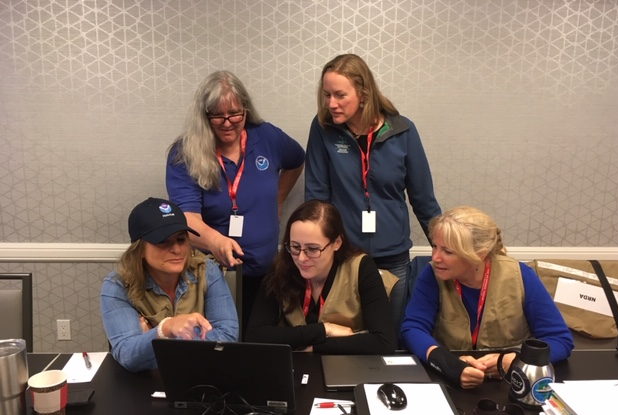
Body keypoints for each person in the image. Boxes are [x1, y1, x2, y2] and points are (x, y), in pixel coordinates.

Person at [304, 53, 441, 340]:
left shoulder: (402, 130)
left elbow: (423, 199)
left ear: (363, 94)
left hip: (393, 256)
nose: (331, 103)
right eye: (327, 94)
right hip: (344, 257)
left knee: (387, 337)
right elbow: (317, 197)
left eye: (340, 95)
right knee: (347, 338)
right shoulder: (323, 130)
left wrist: (444, 249)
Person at [166, 71, 305, 335]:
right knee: (220, 346)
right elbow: (187, 218)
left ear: (246, 109)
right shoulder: (185, 153)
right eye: (218, 115)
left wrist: (278, 199)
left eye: (235, 113)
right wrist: (215, 241)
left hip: (267, 274)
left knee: (259, 345)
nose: (228, 122)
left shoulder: (267, 137)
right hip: (215, 279)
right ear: (204, 115)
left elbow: (297, 160)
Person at [401, 206, 574, 388]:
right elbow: (412, 328)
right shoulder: (432, 274)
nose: (435, 257)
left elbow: (559, 339)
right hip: (452, 380)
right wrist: (446, 362)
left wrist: (516, 360)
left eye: (448, 251)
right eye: (435, 246)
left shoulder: (520, 276)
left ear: (479, 254)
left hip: (511, 384)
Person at [101, 198, 239, 372]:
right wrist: (167, 328)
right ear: (139, 249)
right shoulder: (117, 286)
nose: (176, 249)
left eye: (181, 239)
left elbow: (227, 338)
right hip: (145, 384)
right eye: (163, 241)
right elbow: (128, 355)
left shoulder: (207, 270)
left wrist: (155, 340)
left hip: (201, 376)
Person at [245, 200, 397, 354]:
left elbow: (384, 342)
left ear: (336, 243)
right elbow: (254, 336)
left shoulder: (361, 267)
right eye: (295, 247)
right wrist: (325, 329)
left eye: (312, 249)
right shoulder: (281, 266)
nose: (302, 258)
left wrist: (317, 347)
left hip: (348, 367)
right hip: (296, 366)